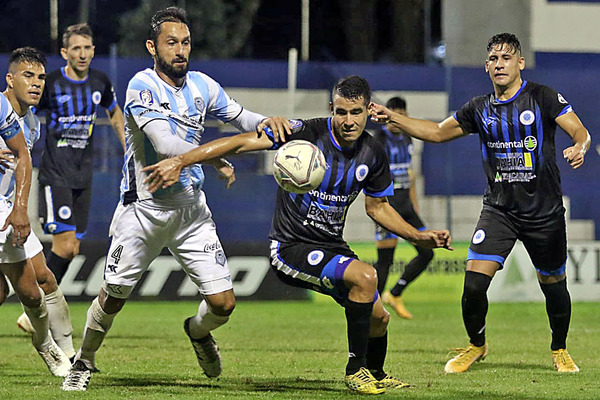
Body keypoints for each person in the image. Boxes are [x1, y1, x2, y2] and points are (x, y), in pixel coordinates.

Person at [142, 75, 453, 395]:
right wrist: (182, 160)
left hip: (332, 246)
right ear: (332, 108)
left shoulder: (373, 152)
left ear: (368, 111)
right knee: (366, 277)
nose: (348, 121)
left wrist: (417, 236)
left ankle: (375, 371)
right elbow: (242, 142)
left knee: (379, 319)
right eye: (342, 112)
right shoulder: (305, 133)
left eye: (356, 112)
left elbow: (378, 208)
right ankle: (355, 371)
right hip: (291, 246)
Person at [61, 7, 290, 391]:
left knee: (223, 304)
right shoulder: (141, 86)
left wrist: (269, 122)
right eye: (171, 43)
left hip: (190, 213)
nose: (180, 50)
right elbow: (165, 143)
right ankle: (83, 361)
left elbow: (242, 117)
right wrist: (217, 157)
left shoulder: (203, 85)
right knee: (114, 296)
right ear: (153, 46)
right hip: (143, 211)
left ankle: (197, 333)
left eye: (185, 43)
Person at [370, 33, 591, 374]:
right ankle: (477, 345)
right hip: (499, 210)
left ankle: (559, 348)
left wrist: (580, 146)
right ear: (486, 66)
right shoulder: (479, 108)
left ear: (520, 63)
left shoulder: (542, 97)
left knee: (553, 284)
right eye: (493, 59)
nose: (499, 64)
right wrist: (393, 118)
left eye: (506, 58)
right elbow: (436, 132)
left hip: (544, 213)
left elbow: (580, 131)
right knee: (473, 283)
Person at [33, 22, 126, 287]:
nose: (82, 54)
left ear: (94, 50)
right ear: (65, 53)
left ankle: (36, 304)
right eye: (76, 48)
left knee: (72, 247)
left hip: (83, 177)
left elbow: (114, 112)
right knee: (63, 245)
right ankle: (39, 306)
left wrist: (128, 149)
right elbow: (25, 114)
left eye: (87, 48)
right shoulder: (50, 83)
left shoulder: (100, 82)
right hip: (55, 175)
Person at [0, 47, 76, 362]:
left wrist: (20, 209)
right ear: (10, 78)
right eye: (28, 76)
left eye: (41, 77)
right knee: (28, 290)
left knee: (43, 277)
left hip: (7, 208)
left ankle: (69, 353)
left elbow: (23, 166)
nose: (36, 84)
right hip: (5, 212)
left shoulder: (32, 123)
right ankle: (50, 348)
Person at [372, 96, 434, 320]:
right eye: (392, 114)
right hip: (387, 207)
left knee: (427, 252)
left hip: (406, 207)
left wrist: (415, 204)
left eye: (401, 114)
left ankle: (395, 293)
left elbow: (410, 174)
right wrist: (377, 209)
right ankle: (372, 310)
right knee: (385, 261)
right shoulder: (378, 139)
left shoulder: (408, 138)